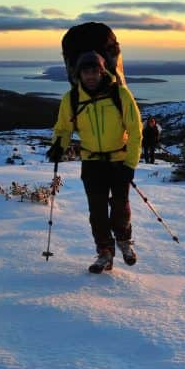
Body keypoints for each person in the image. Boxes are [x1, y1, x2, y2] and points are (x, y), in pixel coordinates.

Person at [47, 49, 143, 273]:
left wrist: (131, 164)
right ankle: (104, 253)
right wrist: (58, 145)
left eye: (95, 72)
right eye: (86, 72)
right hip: (91, 162)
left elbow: (136, 131)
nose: (90, 77)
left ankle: (123, 240)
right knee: (97, 210)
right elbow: (63, 128)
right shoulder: (71, 98)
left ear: (102, 72)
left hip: (119, 160)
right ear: (78, 75)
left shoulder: (120, 95)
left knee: (120, 206)